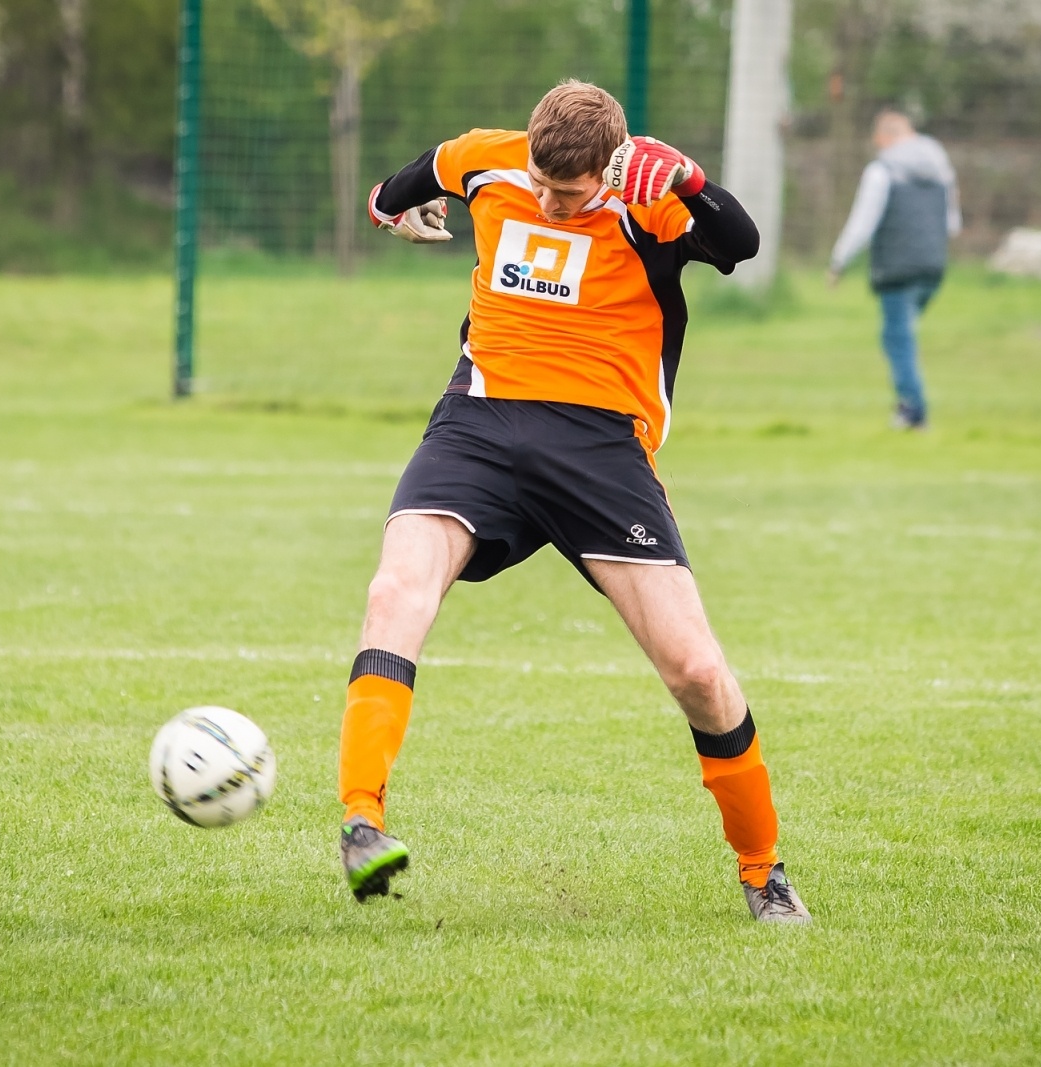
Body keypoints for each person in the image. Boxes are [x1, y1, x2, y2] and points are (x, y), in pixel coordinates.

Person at [336, 80, 810, 923]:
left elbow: (741, 240)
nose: (553, 203)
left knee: (698, 672)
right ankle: (363, 821)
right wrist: (388, 207)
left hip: (601, 450)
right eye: (544, 186)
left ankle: (763, 868)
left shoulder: (647, 199)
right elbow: (412, 179)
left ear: (612, 164)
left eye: (572, 191)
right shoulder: (492, 159)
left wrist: (692, 183)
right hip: (477, 424)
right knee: (392, 592)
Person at [828, 110, 961, 430]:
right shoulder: (940, 166)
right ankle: (908, 404)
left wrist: (839, 259)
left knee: (898, 339)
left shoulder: (881, 170)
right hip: (933, 267)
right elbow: (953, 223)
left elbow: (864, 222)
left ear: (883, 137)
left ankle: (913, 412)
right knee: (903, 335)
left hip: (897, 269)